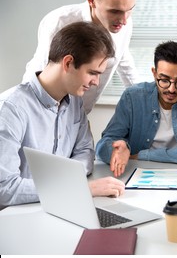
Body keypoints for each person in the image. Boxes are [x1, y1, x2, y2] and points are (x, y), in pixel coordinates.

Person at [0, 21, 125, 209]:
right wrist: (79, 188)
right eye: (92, 73)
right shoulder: (10, 109)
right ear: (68, 63)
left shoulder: (74, 101)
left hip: (58, 205)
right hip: (17, 215)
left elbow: (85, 153)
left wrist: (63, 186)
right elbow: (5, 189)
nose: (96, 83)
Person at [96, 41, 177, 177]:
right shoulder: (133, 96)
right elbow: (102, 146)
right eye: (164, 80)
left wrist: (142, 155)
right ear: (154, 73)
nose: (171, 89)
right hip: (138, 173)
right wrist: (117, 149)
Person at [23, 0, 139, 114]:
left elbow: (124, 62)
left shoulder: (124, 24)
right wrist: (30, 112)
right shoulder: (59, 22)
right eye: (114, 11)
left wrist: (143, 99)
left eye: (130, 9)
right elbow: (43, 71)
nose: (124, 20)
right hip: (46, 109)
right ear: (91, 0)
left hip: (81, 113)